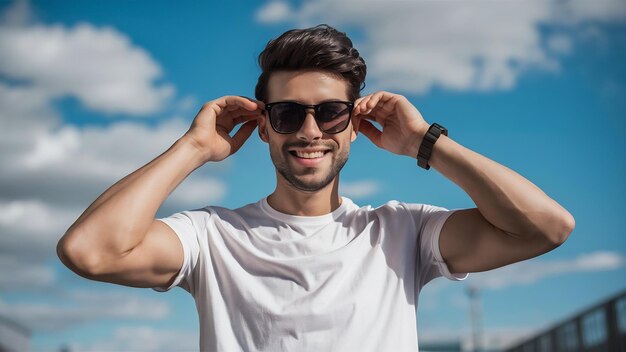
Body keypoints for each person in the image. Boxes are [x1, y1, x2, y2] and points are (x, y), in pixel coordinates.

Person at [57, 24, 575, 351]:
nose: (310, 131)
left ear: (352, 125)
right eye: (287, 113)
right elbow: (88, 251)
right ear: (263, 126)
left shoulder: (401, 231)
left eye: (330, 113)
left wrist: (424, 140)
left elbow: (547, 228)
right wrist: (193, 148)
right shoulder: (210, 236)